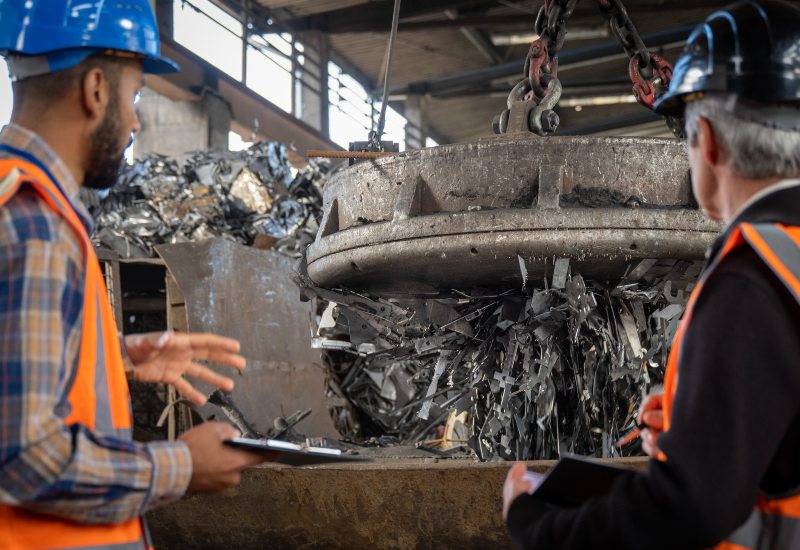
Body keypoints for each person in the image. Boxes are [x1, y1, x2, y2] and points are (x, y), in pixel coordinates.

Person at [502, 0, 800, 548]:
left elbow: (684, 509)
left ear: (706, 141)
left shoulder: (751, 278)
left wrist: (534, 523)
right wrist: (704, 418)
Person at [0, 1, 269, 548]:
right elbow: (26, 459)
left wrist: (113, 355)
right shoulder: (36, 223)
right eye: (136, 95)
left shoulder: (14, 198)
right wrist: (180, 466)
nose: (137, 120)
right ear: (96, 90)